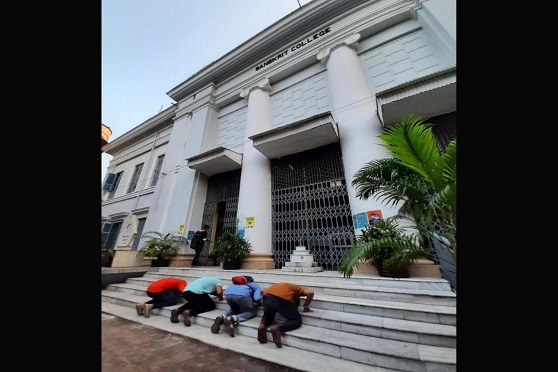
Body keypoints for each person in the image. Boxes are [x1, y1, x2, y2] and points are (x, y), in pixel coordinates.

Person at [257, 282, 314, 348]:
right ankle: (277, 328)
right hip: (281, 299)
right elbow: (310, 293)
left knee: (268, 316)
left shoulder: (278, 285)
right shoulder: (299, 288)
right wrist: (306, 305)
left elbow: (262, 291)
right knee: (296, 320)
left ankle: (262, 325)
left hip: (266, 297)